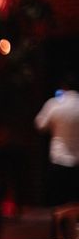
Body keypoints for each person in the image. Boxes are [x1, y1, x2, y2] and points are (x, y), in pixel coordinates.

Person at [35, 76, 79, 205]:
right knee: (75, 202)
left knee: (58, 200)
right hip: (77, 159)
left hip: (58, 157)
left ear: (64, 87)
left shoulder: (55, 104)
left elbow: (40, 124)